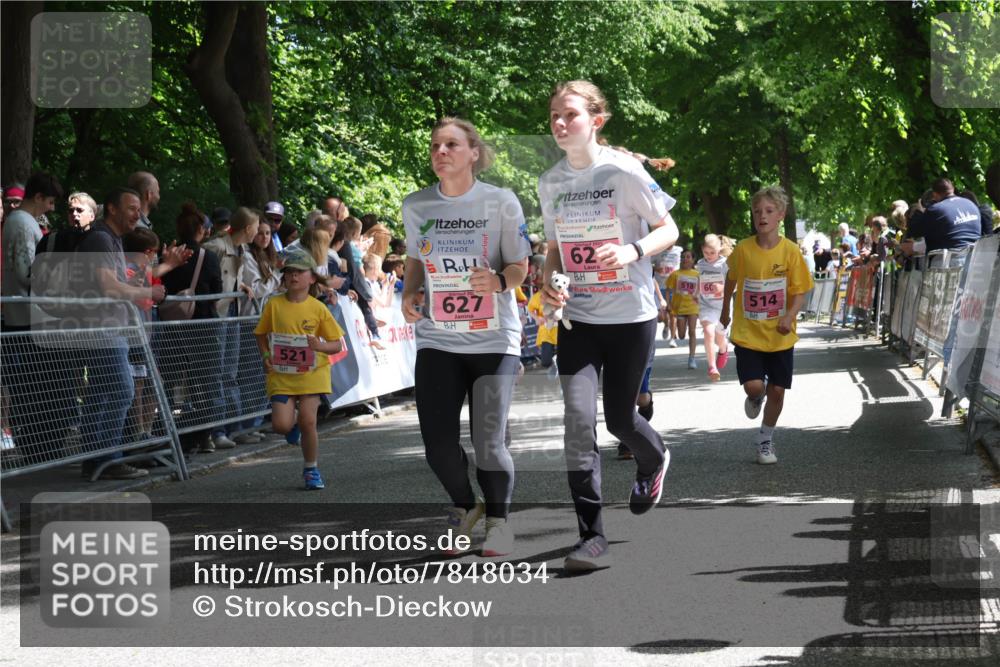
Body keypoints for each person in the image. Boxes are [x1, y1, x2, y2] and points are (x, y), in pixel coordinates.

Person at [538, 80, 679, 571]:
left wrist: (631, 251)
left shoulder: (624, 170)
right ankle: (591, 537)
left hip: (630, 316)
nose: (559, 123)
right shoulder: (550, 182)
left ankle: (653, 457)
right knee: (578, 426)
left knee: (620, 421)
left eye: (570, 115)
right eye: (554, 116)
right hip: (578, 319)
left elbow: (669, 229)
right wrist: (548, 285)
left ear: (596, 121)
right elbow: (554, 248)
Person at [401, 117, 530, 557]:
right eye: (435, 145)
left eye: (451, 145)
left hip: (494, 338)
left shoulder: (500, 201)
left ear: (474, 153)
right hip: (437, 337)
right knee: (437, 446)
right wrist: (409, 292)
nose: (440, 152)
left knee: (488, 443)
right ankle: (464, 506)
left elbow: (519, 266)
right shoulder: (417, 205)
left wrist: (498, 281)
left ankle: (498, 522)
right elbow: (415, 259)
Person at [77, 187, 168, 480]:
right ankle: (107, 459)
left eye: (139, 209)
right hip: (102, 329)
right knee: (121, 389)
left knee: (103, 392)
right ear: (112, 209)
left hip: (110, 327)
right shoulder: (101, 239)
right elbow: (108, 286)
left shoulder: (112, 239)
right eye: (131, 208)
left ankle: (98, 461)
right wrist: (147, 292)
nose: (137, 215)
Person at [721, 186, 813, 465]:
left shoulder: (791, 251)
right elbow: (731, 279)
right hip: (748, 332)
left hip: (780, 334)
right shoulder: (743, 249)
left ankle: (765, 439)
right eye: (757, 211)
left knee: (777, 390)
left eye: (769, 211)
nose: (762, 216)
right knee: (753, 387)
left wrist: (789, 316)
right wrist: (724, 310)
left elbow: (800, 291)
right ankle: (755, 397)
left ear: (780, 215)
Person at [254, 249, 344, 490]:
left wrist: (320, 346)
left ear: (312, 278)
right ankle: (292, 426)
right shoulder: (274, 304)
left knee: (308, 420)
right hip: (282, 374)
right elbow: (261, 334)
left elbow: (337, 344)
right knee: (280, 426)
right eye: (289, 272)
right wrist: (265, 355)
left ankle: (311, 469)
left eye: (299, 272)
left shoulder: (318, 308)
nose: (293, 276)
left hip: (312, 373)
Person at [160, 202, 223, 454]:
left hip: (172, 326)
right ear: (201, 229)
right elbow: (217, 291)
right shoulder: (208, 257)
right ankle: (203, 435)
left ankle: (166, 433)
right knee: (204, 384)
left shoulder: (169, 255)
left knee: (169, 381)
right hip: (202, 327)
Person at [204, 207, 259, 448]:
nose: (258, 231)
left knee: (230, 372)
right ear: (248, 228)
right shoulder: (215, 247)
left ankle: (235, 427)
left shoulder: (241, 249)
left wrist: (242, 286)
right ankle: (217, 431)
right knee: (218, 372)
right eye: (256, 227)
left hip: (233, 312)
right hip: (218, 314)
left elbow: (232, 277)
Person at [696, 233, 730, 381]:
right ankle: (712, 367)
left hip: (723, 307)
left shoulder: (725, 264)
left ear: (719, 250)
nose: (709, 256)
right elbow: (699, 281)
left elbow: (735, 285)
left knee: (719, 338)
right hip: (706, 305)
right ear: (702, 249)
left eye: (712, 253)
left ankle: (723, 348)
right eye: (706, 252)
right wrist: (695, 293)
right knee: (708, 332)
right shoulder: (700, 264)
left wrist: (722, 288)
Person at [665, 249, 700, 368]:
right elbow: (668, 290)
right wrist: (668, 304)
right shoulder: (675, 274)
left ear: (693, 260)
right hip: (679, 307)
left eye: (688, 257)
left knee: (692, 331)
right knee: (681, 335)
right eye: (683, 257)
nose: (685, 259)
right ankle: (677, 333)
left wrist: (699, 298)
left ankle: (692, 358)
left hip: (693, 306)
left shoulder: (697, 274)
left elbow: (701, 290)